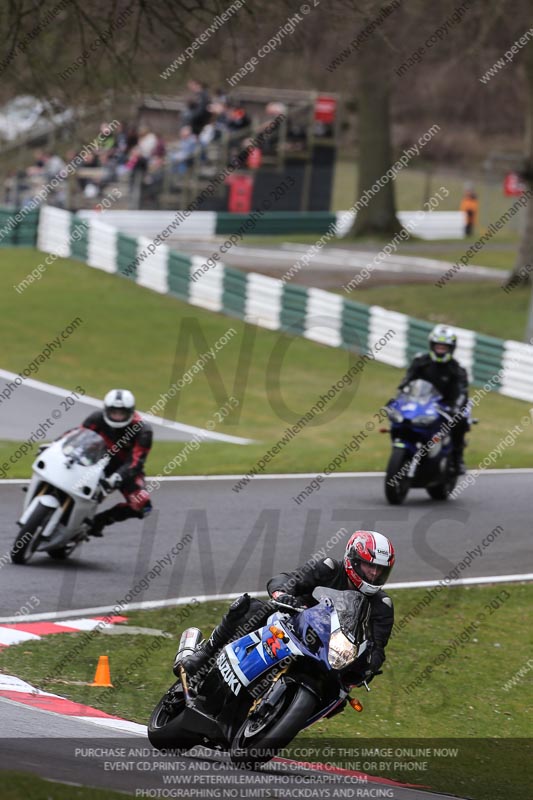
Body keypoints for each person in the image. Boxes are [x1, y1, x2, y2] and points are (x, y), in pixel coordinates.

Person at [180, 530, 395, 689]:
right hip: (293, 624)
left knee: (340, 694)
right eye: (370, 566)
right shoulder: (329, 568)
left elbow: (377, 648)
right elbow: (289, 579)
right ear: (353, 560)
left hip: (330, 653)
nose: (374, 574)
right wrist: (283, 594)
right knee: (249, 607)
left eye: (380, 570)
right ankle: (204, 655)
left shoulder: (382, 606)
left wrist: (367, 669)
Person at [398, 324, 469, 474]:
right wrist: (402, 391)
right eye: (438, 346)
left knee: (460, 421)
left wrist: (456, 406)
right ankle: (402, 446)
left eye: (444, 347)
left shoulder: (457, 369)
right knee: (401, 418)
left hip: (447, 404)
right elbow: (408, 379)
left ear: (451, 348)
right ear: (432, 345)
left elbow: (463, 391)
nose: (440, 349)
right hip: (422, 401)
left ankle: (457, 458)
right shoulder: (420, 362)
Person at [84, 389, 153, 537]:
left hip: (126, 469)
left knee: (143, 506)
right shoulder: (96, 418)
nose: (117, 417)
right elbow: (76, 435)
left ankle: (100, 521)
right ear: (106, 410)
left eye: (121, 413)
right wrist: (55, 446)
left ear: (131, 412)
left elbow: (136, 461)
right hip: (95, 461)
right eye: (113, 412)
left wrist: (118, 476)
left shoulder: (143, 430)